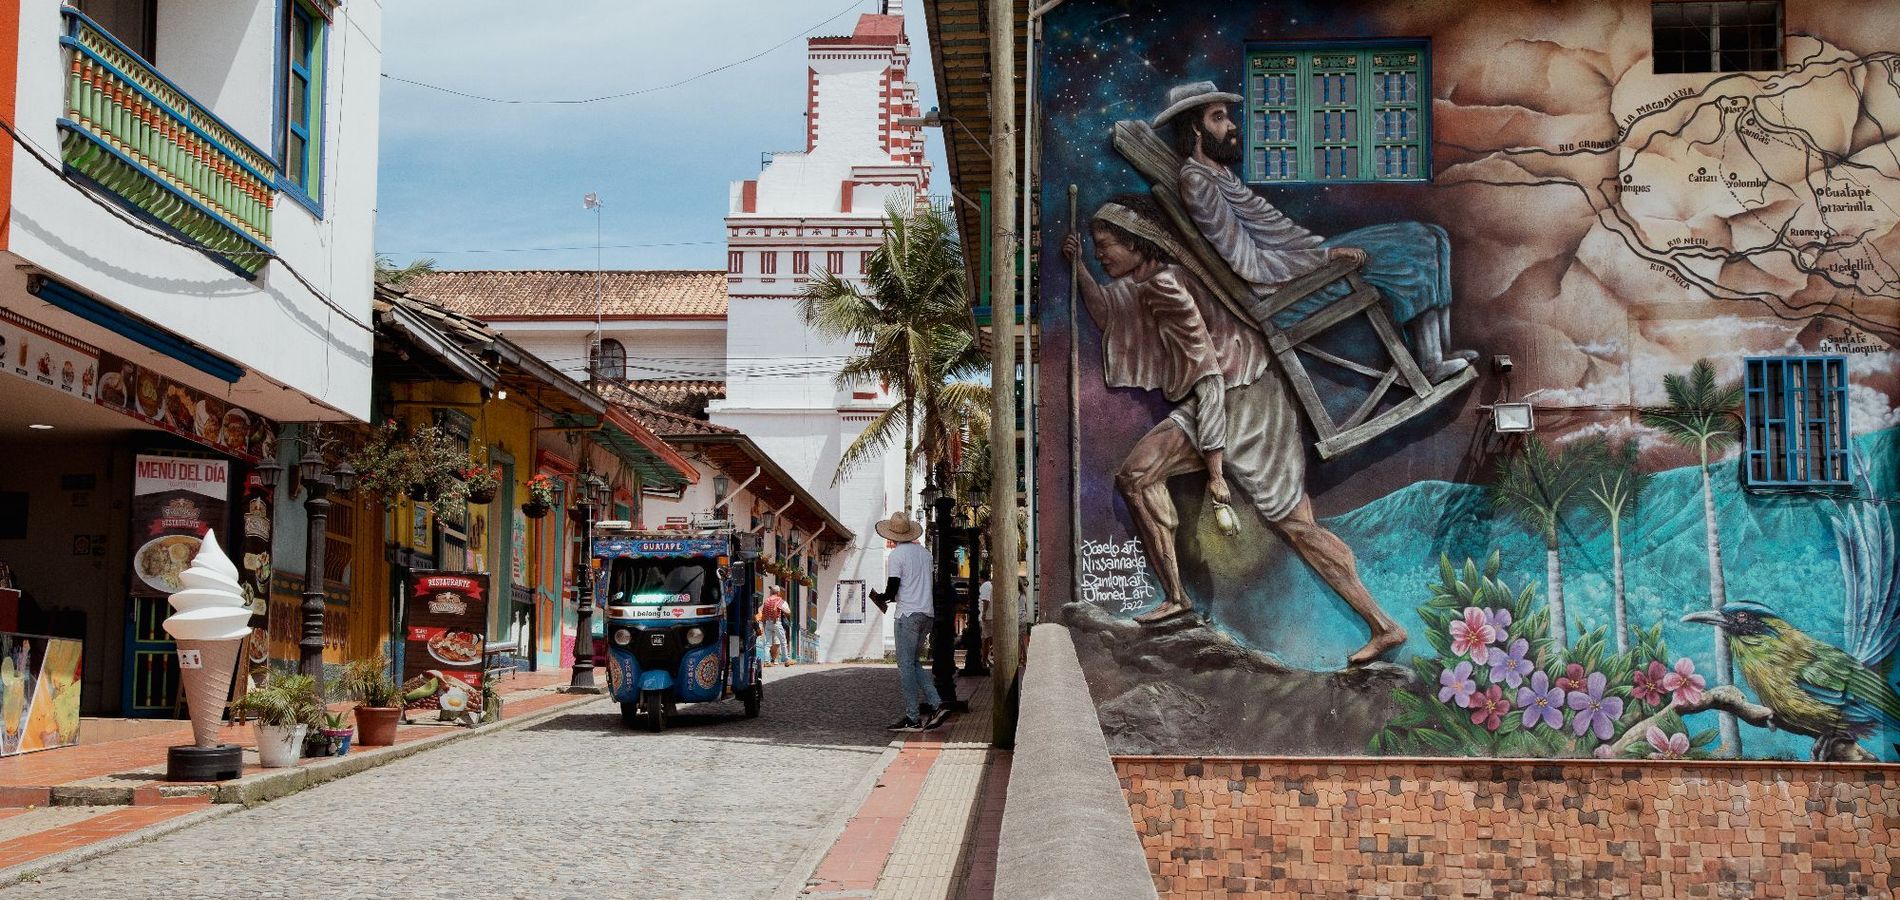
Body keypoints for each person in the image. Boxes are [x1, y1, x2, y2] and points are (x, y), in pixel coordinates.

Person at [1064, 194, 1406, 667]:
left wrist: (1215, 468)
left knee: (1150, 480)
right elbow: (1108, 313)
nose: (1101, 253)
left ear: (1138, 243)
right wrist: (1079, 267)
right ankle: (1182, 599)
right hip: (1238, 393)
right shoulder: (1151, 284)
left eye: (1106, 245)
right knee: (1145, 478)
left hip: (1240, 399)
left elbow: (1206, 376)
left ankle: (1380, 624)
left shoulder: (1166, 287)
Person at [1155, 81, 1475, 382]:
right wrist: (1326, 256)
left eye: (1227, 116)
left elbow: (1275, 231)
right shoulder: (1197, 182)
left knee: (1433, 234)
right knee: (1412, 245)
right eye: (1218, 117)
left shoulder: (1218, 172)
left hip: (1306, 262)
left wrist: (1323, 248)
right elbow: (1248, 263)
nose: (1231, 126)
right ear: (1196, 127)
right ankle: (1431, 362)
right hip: (1286, 290)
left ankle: (1439, 350)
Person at [869, 511, 950, 732]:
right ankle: (937, 704)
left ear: (891, 534)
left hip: (907, 616)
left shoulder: (896, 556)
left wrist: (881, 598)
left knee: (905, 666)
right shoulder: (925, 554)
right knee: (914, 663)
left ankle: (912, 717)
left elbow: (893, 588)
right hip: (927, 614)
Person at [757, 587, 791, 667]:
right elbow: (788, 612)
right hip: (776, 622)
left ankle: (766, 661)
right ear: (778, 592)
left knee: (767, 643)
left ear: (771, 592)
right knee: (783, 641)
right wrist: (783, 610)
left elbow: (764, 613)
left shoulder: (766, 601)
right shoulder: (780, 600)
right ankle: (786, 660)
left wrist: (764, 624)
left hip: (768, 623)